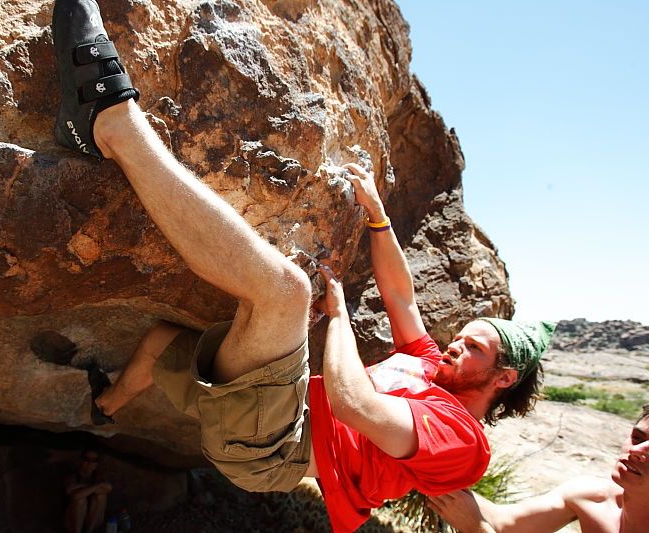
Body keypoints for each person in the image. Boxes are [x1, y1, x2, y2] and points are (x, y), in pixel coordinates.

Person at [51, 1, 556, 530]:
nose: (456, 343)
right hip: (268, 412)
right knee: (161, 342)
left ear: (503, 377)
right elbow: (401, 296)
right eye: (464, 336)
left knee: (285, 292)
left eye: (474, 347)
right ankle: (105, 407)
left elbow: (352, 403)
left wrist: (337, 319)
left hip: (273, 449)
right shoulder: (430, 367)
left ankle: (110, 125)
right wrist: (378, 218)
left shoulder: (462, 442)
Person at [427, 404, 649, 533]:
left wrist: (478, 529)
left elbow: (484, 525)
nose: (636, 450)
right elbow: (507, 523)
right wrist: (426, 467)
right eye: (637, 437)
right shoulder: (592, 496)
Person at [64, 449, 112, 533]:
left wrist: (81, 487)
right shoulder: (73, 476)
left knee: (101, 496)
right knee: (80, 501)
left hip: (92, 522)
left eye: (94, 460)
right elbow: (76, 496)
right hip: (73, 522)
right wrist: (97, 485)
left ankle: (89, 531)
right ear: (81, 460)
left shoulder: (98, 476)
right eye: (87, 459)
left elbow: (109, 488)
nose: (90, 463)